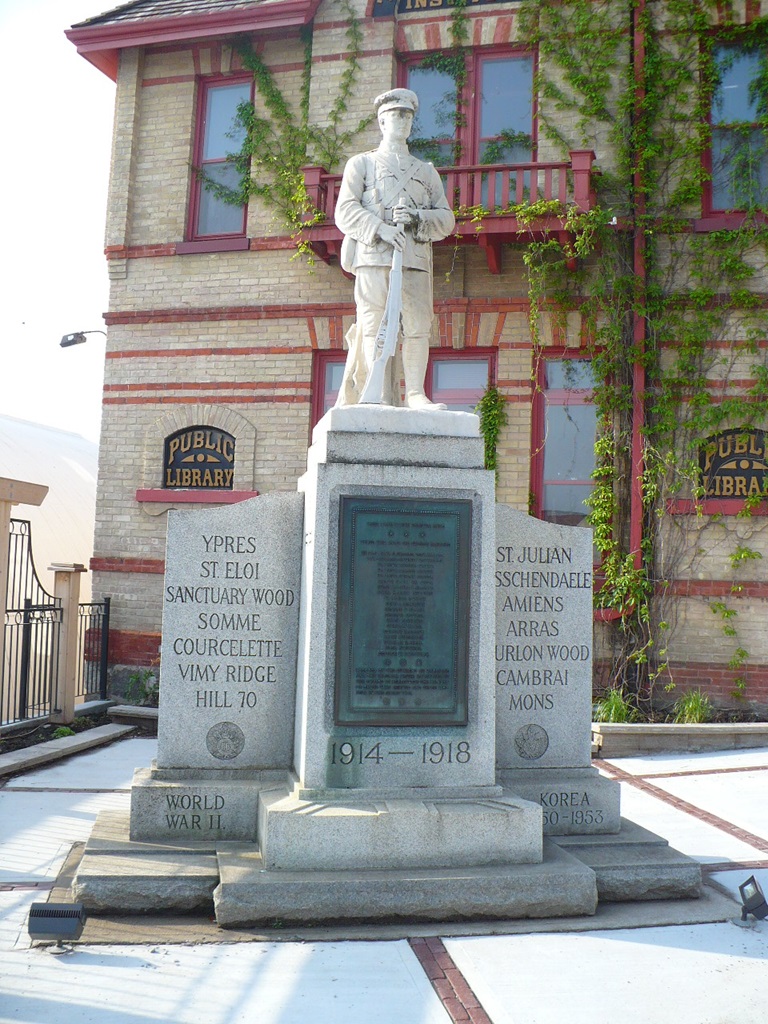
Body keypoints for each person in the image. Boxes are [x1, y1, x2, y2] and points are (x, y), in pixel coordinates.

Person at [334, 88, 455, 410]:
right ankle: (378, 395)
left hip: (414, 259)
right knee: (374, 323)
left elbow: (446, 219)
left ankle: (415, 393)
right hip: (373, 257)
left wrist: (417, 217)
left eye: (407, 115)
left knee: (417, 324)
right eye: (395, 115)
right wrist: (381, 229)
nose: (401, 121)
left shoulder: (426, 171)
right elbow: (344, 210)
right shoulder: (362, 164)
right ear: (382, 121)